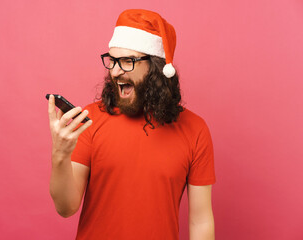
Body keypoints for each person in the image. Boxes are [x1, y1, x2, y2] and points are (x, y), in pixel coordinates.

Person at [48, 9, 216, 240]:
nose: (115, 71)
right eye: (112, 60)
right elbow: (65, 208)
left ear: (155, 68)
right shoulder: (90, 119)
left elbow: (201, 221)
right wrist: (60, 154)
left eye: (127, 61)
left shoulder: (195, 130)